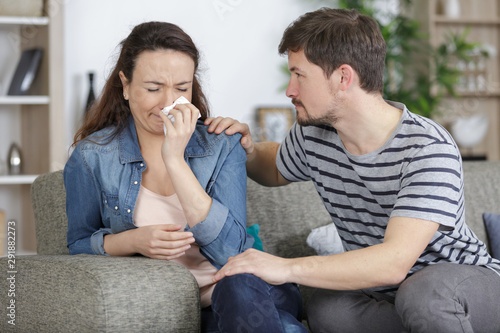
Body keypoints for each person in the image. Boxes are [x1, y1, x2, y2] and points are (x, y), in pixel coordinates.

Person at [207, 8, 500, 333]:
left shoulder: (427, 148)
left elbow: (393, 263)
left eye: (299, 75)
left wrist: (286, 268)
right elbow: (275, 169)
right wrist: (244, 147)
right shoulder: (314, 134)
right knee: (329, 308)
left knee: (425, 292)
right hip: (393, 298)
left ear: (343, 77)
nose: (290, 90)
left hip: (469, 290)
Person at [64, 21, 306, 333]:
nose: (168, 103)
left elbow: (232, 253)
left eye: (181, 88)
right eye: (153, 89)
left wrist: (175, 160)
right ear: (124, 84)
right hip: (178, 305)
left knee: (237, 285)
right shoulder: (92, 156)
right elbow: (78, 245)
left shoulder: (221, 144)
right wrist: (132, 240)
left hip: (249, 291)